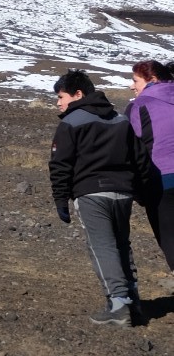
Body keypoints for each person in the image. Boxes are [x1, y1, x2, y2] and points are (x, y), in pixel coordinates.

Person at [49, 68, 141, 327]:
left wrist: (60, 199)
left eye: (61, 96)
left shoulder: (71, 122)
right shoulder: (120, 120)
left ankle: (119, 304)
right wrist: (141, 190)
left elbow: (60, 164)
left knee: (102, 246)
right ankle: (134, 301)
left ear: (78, 94)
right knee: (122, 245)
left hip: (91, 193)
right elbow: (138, 158)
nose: (59, 103)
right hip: (123, 194)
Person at [129, 59, 174, 272]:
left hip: (162, 181)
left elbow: (134, 149)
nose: (132, 86)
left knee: (170, 240)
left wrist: (138, 189)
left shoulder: (139, 105)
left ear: (152, 80)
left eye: (135, 80)